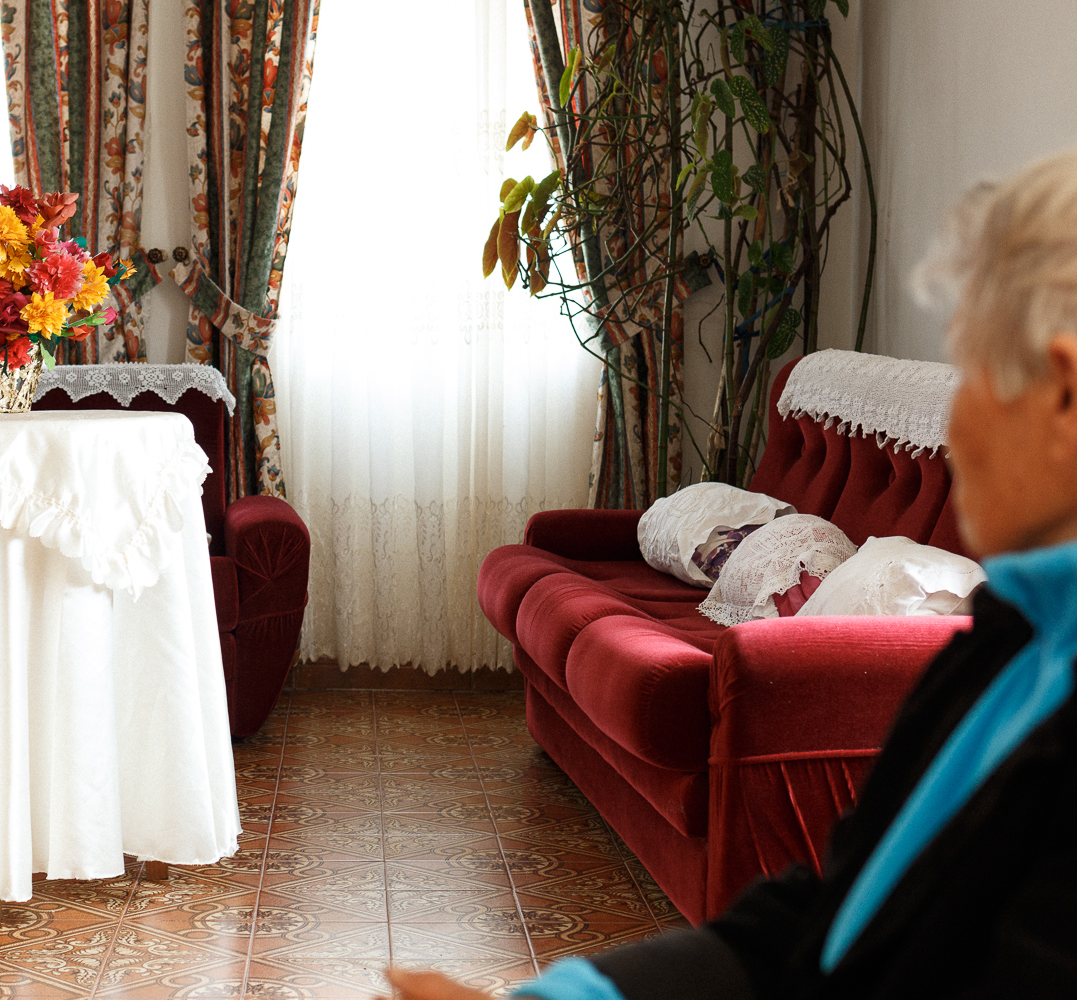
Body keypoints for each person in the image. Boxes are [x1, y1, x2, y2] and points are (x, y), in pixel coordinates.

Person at [385, 150, 1077, 1000]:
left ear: (1062, 395)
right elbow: (818, 919)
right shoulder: (1000, 648)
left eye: (971, 375)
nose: (953, 429)